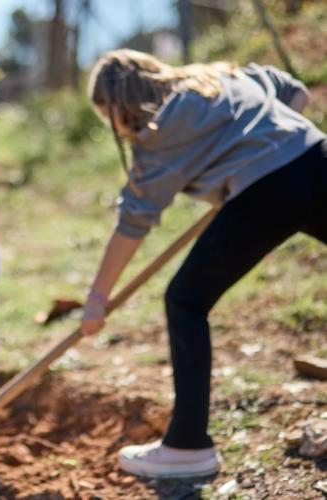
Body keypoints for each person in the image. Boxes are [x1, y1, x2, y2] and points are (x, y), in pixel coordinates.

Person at [79, 49, 325, 478]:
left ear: (117, 105)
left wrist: (97, 297)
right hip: (317, 158)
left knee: (185, 301)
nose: (112, 126)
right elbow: (294, 90)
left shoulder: (158, 132)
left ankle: (187, 446)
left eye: (106, 115)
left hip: (268, 192)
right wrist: (260, 145)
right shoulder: (221, 77)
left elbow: (133, 221)